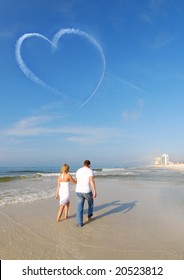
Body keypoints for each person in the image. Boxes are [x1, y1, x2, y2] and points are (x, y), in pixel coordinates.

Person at [75, 160, 97, 227]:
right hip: (86, 191)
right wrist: (94, 190)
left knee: (79, 207)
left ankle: (80, 223)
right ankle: (89, 215)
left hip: (78, 190)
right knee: (90, 203)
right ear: (89, 165)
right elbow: (91, 181)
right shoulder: (90, 171)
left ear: (83, 164)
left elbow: (77, 180)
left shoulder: (78, 170)